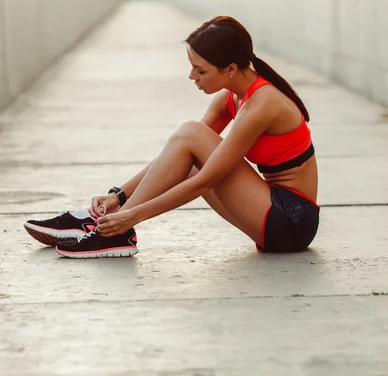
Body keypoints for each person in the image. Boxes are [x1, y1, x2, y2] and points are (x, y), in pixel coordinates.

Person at [24, 16, 320, 259]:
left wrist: (133, 216)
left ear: (230, 69)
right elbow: (178, 153)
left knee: (192, 136)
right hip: (272, 216)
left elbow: (205, 180)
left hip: (292, 221)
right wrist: (118, 196)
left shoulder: (262, 103)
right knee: (188, 150)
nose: (192, 76)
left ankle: (115, 229)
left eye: (200, 69)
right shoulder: (230, 99)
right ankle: (106, 223)